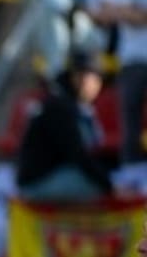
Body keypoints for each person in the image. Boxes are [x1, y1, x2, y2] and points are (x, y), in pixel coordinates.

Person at [16, 50, 112, 202]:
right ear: (75, 77)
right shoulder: (61, 106)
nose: (92, 84)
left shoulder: (71, 104)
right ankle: (89, 224)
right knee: (96, 185)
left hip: (48, 175)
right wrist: (111, 186)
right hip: (36, 183)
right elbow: (78, 155)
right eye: (85, 76)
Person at [86, 0, 147, 166]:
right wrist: (128, 12)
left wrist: (117, 12)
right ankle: (131, 168)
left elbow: (143, 17)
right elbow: (98, 15)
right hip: (129, 61)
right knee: (129, 122)